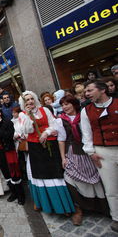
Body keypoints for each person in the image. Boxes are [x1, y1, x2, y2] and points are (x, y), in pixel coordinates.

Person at [18, 91, 75, 215]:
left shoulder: (45, 110)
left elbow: (54, 124)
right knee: (40, 176)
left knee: (56, 173)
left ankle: (64, 206)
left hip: (51, 145)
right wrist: (28, 116)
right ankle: (46, 204)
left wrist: (46, 133)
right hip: (35, 148)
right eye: (26, 100)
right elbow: (27, 130)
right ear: (24, 103)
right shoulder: (22, 115)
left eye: (31, 98)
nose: (30, 101)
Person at [56, 95, 109, 225]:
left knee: (96, 178)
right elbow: (61, 139)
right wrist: (63, 158)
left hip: (89, 151)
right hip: (73, 151)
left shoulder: (84, 115)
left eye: (67, 104)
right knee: (70, 177)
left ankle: (103, 208)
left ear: (74, 104)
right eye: (62, 105)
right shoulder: (61, 120)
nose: (64, 107)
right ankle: (78, 209)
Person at [80, 81, 118, 232]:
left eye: (89, 90)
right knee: (111, 188)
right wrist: (91, 152)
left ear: (102, 90)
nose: (86, 94)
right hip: (102, 152)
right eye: (85, 91)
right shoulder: (86, 110)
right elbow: (86, 133)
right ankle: (116, 217)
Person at [0, 108, 25, 205]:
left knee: (14, 172)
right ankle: (14, 193)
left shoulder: (8, 122)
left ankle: (21, 195)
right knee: (6, 173)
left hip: (9, 150)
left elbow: (9, 135)